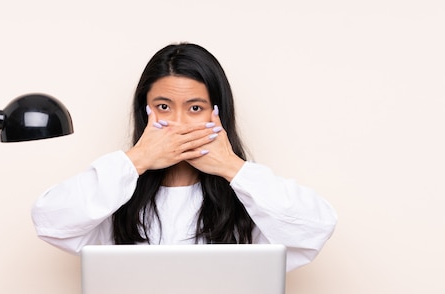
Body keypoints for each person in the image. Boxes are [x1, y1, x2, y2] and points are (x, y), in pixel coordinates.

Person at [31, 42, 337, 272]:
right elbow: (49, 220)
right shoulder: (116, 189)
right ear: (145, 111)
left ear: (218, 112)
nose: (178, 124)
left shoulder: (247, 194)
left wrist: (232, 167)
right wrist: (136, 159)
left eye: (195, 108)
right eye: (163, 107)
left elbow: (315, 229)